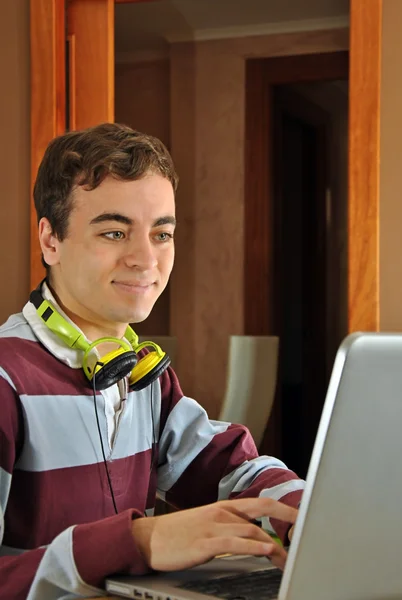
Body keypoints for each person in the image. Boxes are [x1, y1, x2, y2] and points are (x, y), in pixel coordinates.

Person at [0, 123, 305, 599]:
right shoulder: (6, 379)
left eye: (162, 234)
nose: (146, 259)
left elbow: (230, 468)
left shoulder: (138, 373)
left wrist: (311, 514)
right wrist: (137, 541)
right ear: (50, 240)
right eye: (115, 232)